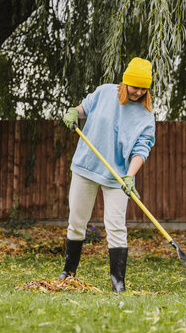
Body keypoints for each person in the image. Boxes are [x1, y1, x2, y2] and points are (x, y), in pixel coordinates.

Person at [59, 57, 156, 293]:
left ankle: (118, 281)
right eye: (135, 87)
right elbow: (85, 108)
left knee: (116, 226)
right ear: (125, 83)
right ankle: (68, 272)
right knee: (77, 221)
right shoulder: (104, 93)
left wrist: (130, 176)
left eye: (144, 88)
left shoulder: (146, 116)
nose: (138, 92)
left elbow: (142, 148)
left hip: (118, 176)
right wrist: (74, 111)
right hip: (86, 166)